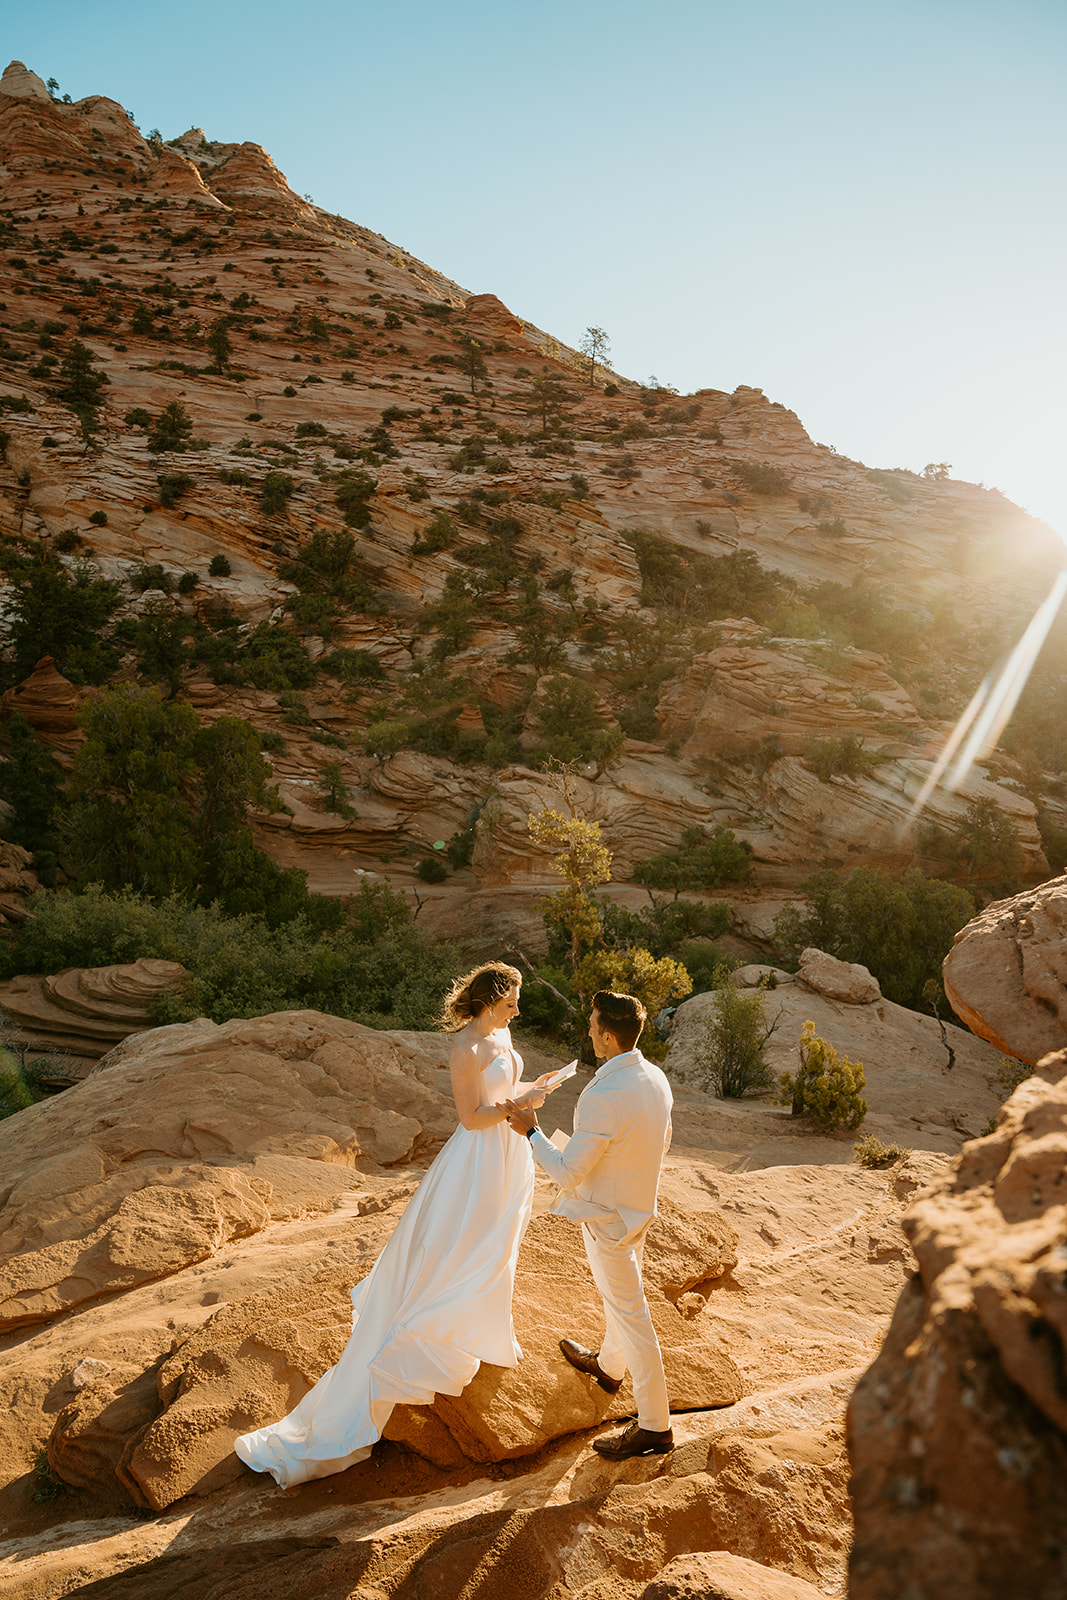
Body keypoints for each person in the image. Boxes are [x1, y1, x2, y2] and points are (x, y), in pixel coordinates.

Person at [234, 961, 556, 1488]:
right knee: (465, 1244)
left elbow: (507, 1088)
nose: (519, 1008)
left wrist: (531, 1088)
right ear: (493, 999)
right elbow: (472, 1118)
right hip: (478, 1158)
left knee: (499, 1241)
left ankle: (487, 1329)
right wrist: (522, 1103)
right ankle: (429, 1337)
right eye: (513, 999)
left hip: (508, 1151)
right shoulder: (464, 1050)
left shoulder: (501, 1033)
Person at [505, 988, 674, 1460]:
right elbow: (658, 1143)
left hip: (608, 1222)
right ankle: (608, 1367)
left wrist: (532, 1131)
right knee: (620, 1302)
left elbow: (566, 1172)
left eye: (593, 1024)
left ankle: (655, 1427)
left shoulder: (604, 1095)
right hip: (638, 1211)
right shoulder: (654, 1077)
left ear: (607, 1036)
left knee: (633, 1316)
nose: (589, 1030)